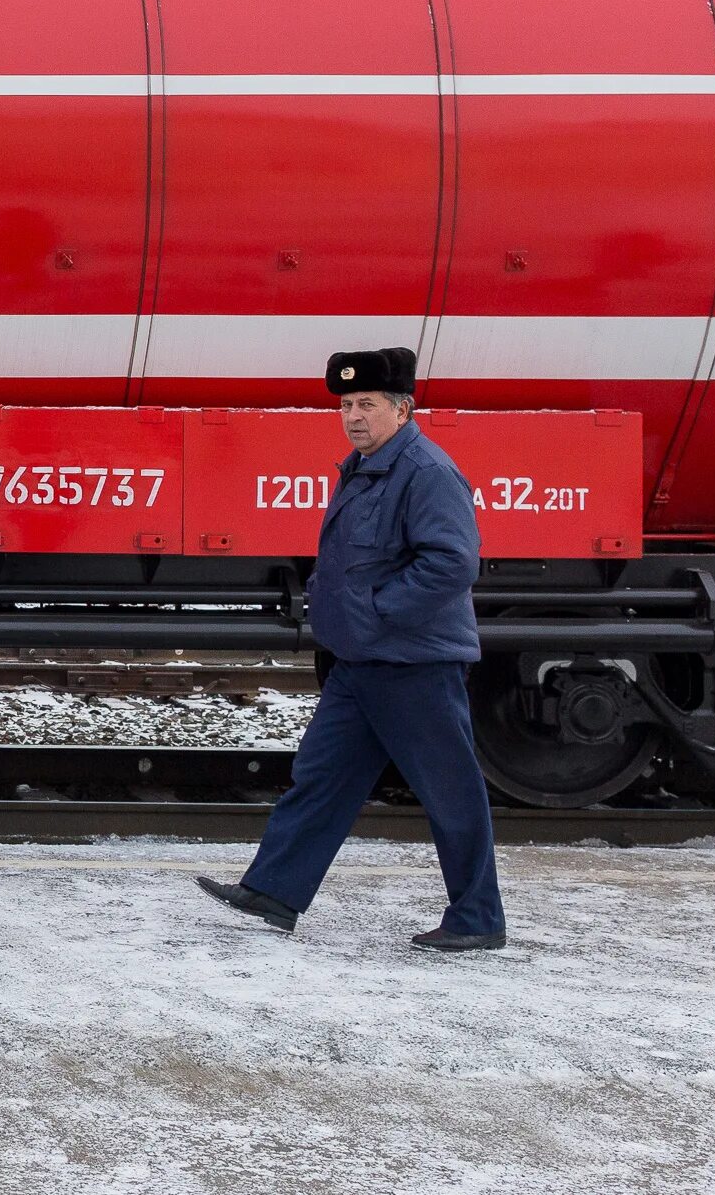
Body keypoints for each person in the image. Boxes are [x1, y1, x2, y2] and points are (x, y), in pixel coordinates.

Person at [196, 347, 508, 951]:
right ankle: (273, 893)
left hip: (412, 663)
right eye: (346, 404)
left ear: (402, 408)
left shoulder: (426, 471)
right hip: (362, 662)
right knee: (322, 777)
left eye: (367, 404)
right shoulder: (366, 466)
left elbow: (453, 562)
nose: (354, 416)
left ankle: (478, 919)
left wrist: (375, 612)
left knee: (451, 792)